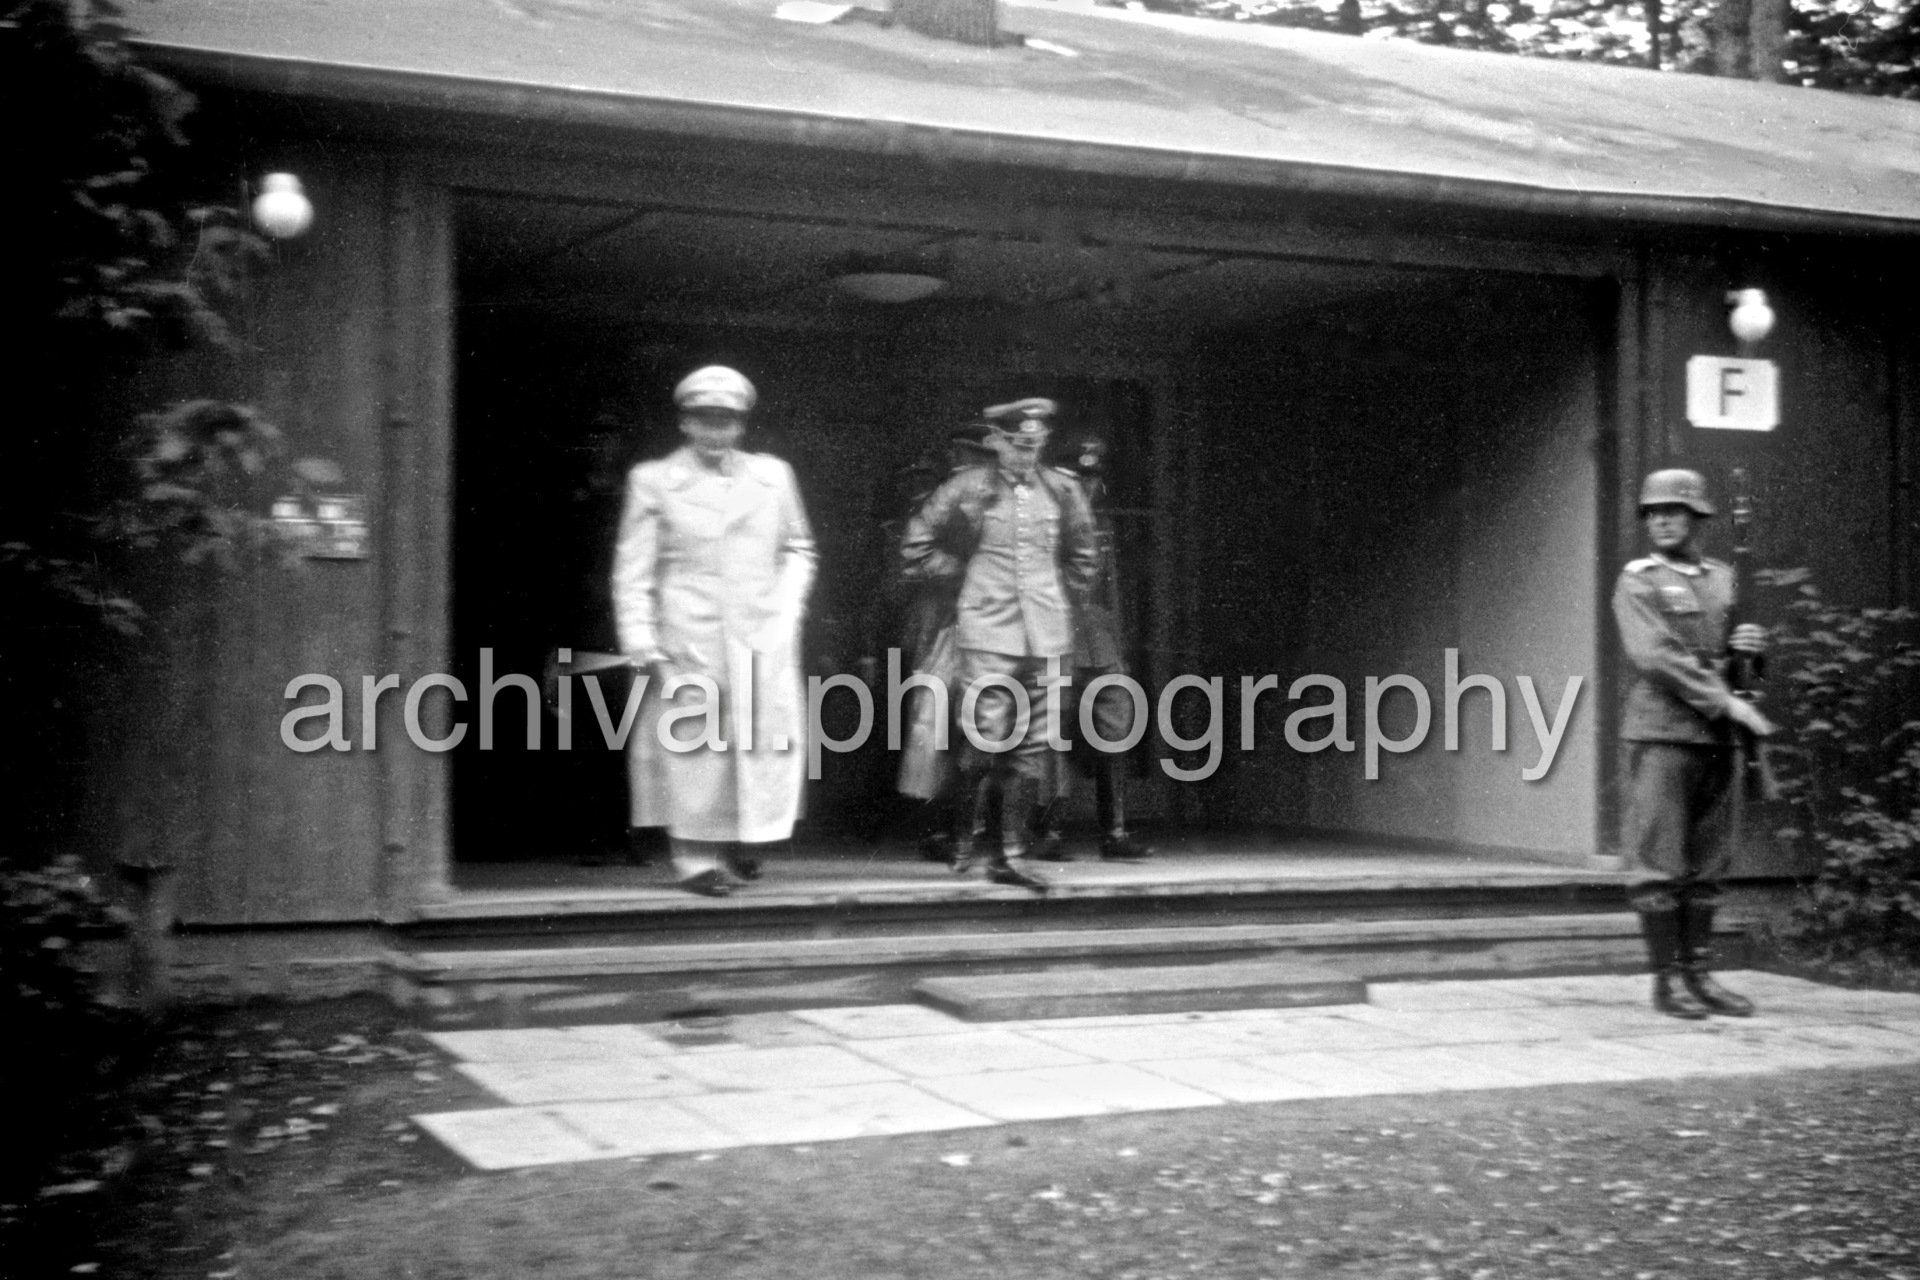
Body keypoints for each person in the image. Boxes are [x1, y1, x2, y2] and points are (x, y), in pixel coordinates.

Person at [612, 366, 817, 896]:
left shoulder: (773, 476)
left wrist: (787, 609)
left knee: (758, 743)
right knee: (693, 748)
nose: (715, 432)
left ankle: (743, 842)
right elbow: (633, 570)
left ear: (741, 426)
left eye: (726, 422)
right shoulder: (654, 480)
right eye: (704, 420)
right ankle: (694, 859)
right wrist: (641, 642)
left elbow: (798, 548)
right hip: (689, 632)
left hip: (760, 634)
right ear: (685, 423)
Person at [900, 397, 1099, 892]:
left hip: (1047, 633)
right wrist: (966, 579)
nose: (1025, 454)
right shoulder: (965, 488)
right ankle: (966, 834)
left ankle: (1011, 851)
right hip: (988, 629)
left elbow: (1084, 556)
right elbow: (916, 546)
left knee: (1033, 743)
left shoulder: (1063, 489)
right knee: (986, 737)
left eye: (1033, 445)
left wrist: (1059, 598)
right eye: (1016, 444)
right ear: (995, 442)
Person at [1613, 467, 1775, 1017]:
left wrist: (1750, 651)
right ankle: (1667, 981)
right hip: (1663, 731)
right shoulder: (1640, 581)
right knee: (1659, 859)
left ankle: (1699, 974)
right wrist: (1726, 701)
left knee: (1708, 862)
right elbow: (1656, 656)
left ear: (1697, 518)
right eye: (1654, 512)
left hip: (1719, 739)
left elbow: (1737, 659)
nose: (1661, 520)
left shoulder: (1724, 579)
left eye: (1673, 511)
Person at [1029, 431, 1153, 863]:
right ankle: (1050, 831)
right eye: (1079, 479)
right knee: (1053, 738)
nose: (1088, 487)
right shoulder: (1045, 526)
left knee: (1116, 731)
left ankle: (1114, 832)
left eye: (1093, 479)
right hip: (1057, 643)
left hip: (1102, 645)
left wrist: (1122, 641)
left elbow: (1115, 590)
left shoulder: (1105, 526)